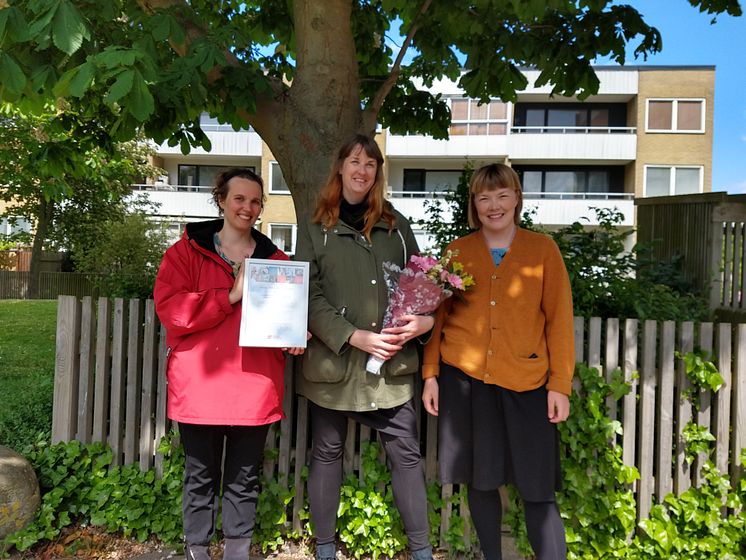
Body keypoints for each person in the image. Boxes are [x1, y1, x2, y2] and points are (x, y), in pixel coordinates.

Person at [421, 164, 574, 560]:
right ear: (474, 204)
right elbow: (439, 317)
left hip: (527, 382)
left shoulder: (543, 251)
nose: (494, 205)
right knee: (482, 481)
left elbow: (559, 321)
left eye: (502, 195)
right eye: (484, 197)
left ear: (517, 198)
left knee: (538, 487)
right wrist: (431, 373)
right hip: (467, 383)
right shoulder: (457, 251)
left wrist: (559, 385)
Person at [154, 168, 305, 560]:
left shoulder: (276, 260)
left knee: (243, 476)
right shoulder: (184, 253)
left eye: (255, 201)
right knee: (200, 475)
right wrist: (230, 295)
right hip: (199, 387)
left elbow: (281, 321)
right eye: (239, 198)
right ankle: (197, 550)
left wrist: (293, 337)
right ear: (221, 200)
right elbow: (173, 312)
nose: (248, 207)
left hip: (254, 387)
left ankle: (237, 551)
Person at [295, 134, 434, 560]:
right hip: (334, 367)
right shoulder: (316, 228)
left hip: (391, 368)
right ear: (340, 168)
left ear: (377, 174)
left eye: (370, 164)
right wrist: (352, 335)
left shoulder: (397, 226)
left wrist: (421, 323)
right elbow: (309, 295)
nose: (361, 170)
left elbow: (423, 283)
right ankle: (323, 547)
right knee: (327, 452)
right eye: (354, 161)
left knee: (406, 454)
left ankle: (422, 549)